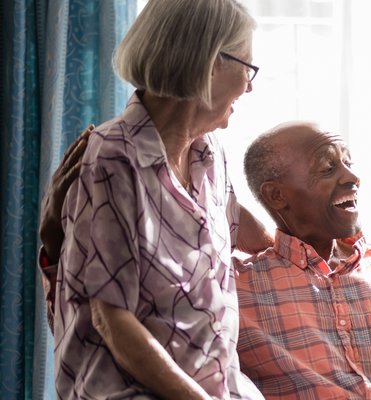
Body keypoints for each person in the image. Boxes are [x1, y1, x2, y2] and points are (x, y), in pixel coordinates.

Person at [45, 0, 268, 398]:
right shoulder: (114, 156)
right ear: (211, 62)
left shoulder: (209, 153)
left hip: (221, 386)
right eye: (247, 69)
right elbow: (111, 319)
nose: (251, 86)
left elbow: (252, 236)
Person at [235, 121, 371, 399]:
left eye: (348, 163)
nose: (353, 178)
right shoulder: (235, 287)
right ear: (277, 195)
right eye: (328, 168)